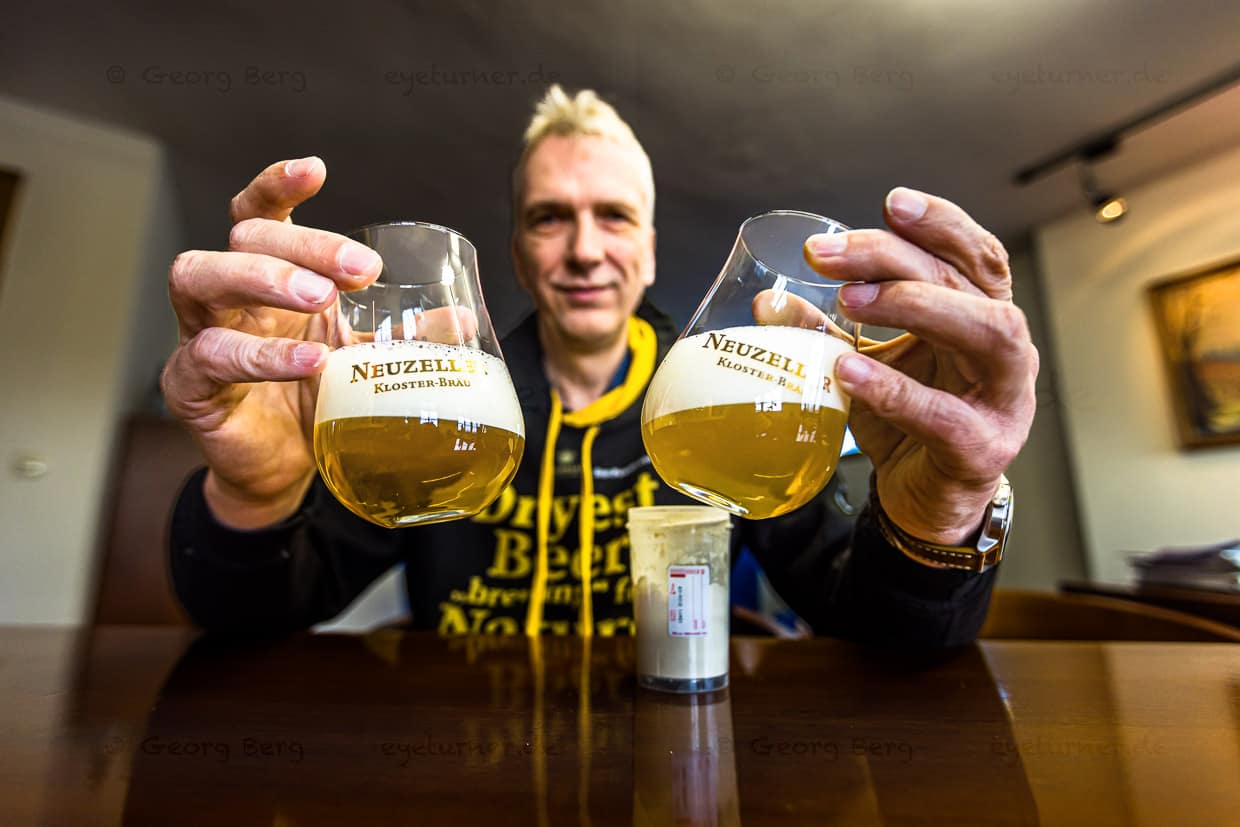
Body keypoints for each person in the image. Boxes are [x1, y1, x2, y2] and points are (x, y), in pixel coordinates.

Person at [162, 86, 1037, 644]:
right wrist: (257, 496)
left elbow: (881, 637)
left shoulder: (736, 399)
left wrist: (938, 513)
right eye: (549, 217)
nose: (584, 249)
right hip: (464, 771)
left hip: (677, 759)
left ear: (650, 251)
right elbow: (251, 625)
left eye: (614, 216)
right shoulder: (436, 397)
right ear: (516, 249)